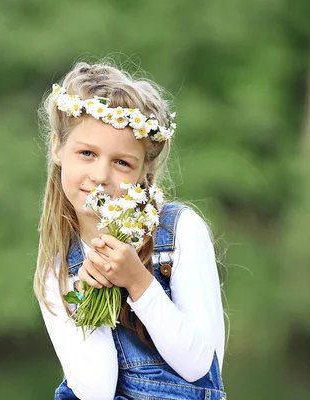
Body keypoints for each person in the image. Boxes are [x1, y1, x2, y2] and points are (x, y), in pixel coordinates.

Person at [33, 60, 227, 399]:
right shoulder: (58, 268)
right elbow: (96, 389)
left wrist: (137, 281)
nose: (101, 175)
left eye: (121, 162)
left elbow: (199, 366)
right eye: (87, 153)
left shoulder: (180, 233)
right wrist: (88, 289)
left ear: (143, 172)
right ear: (58, 148)